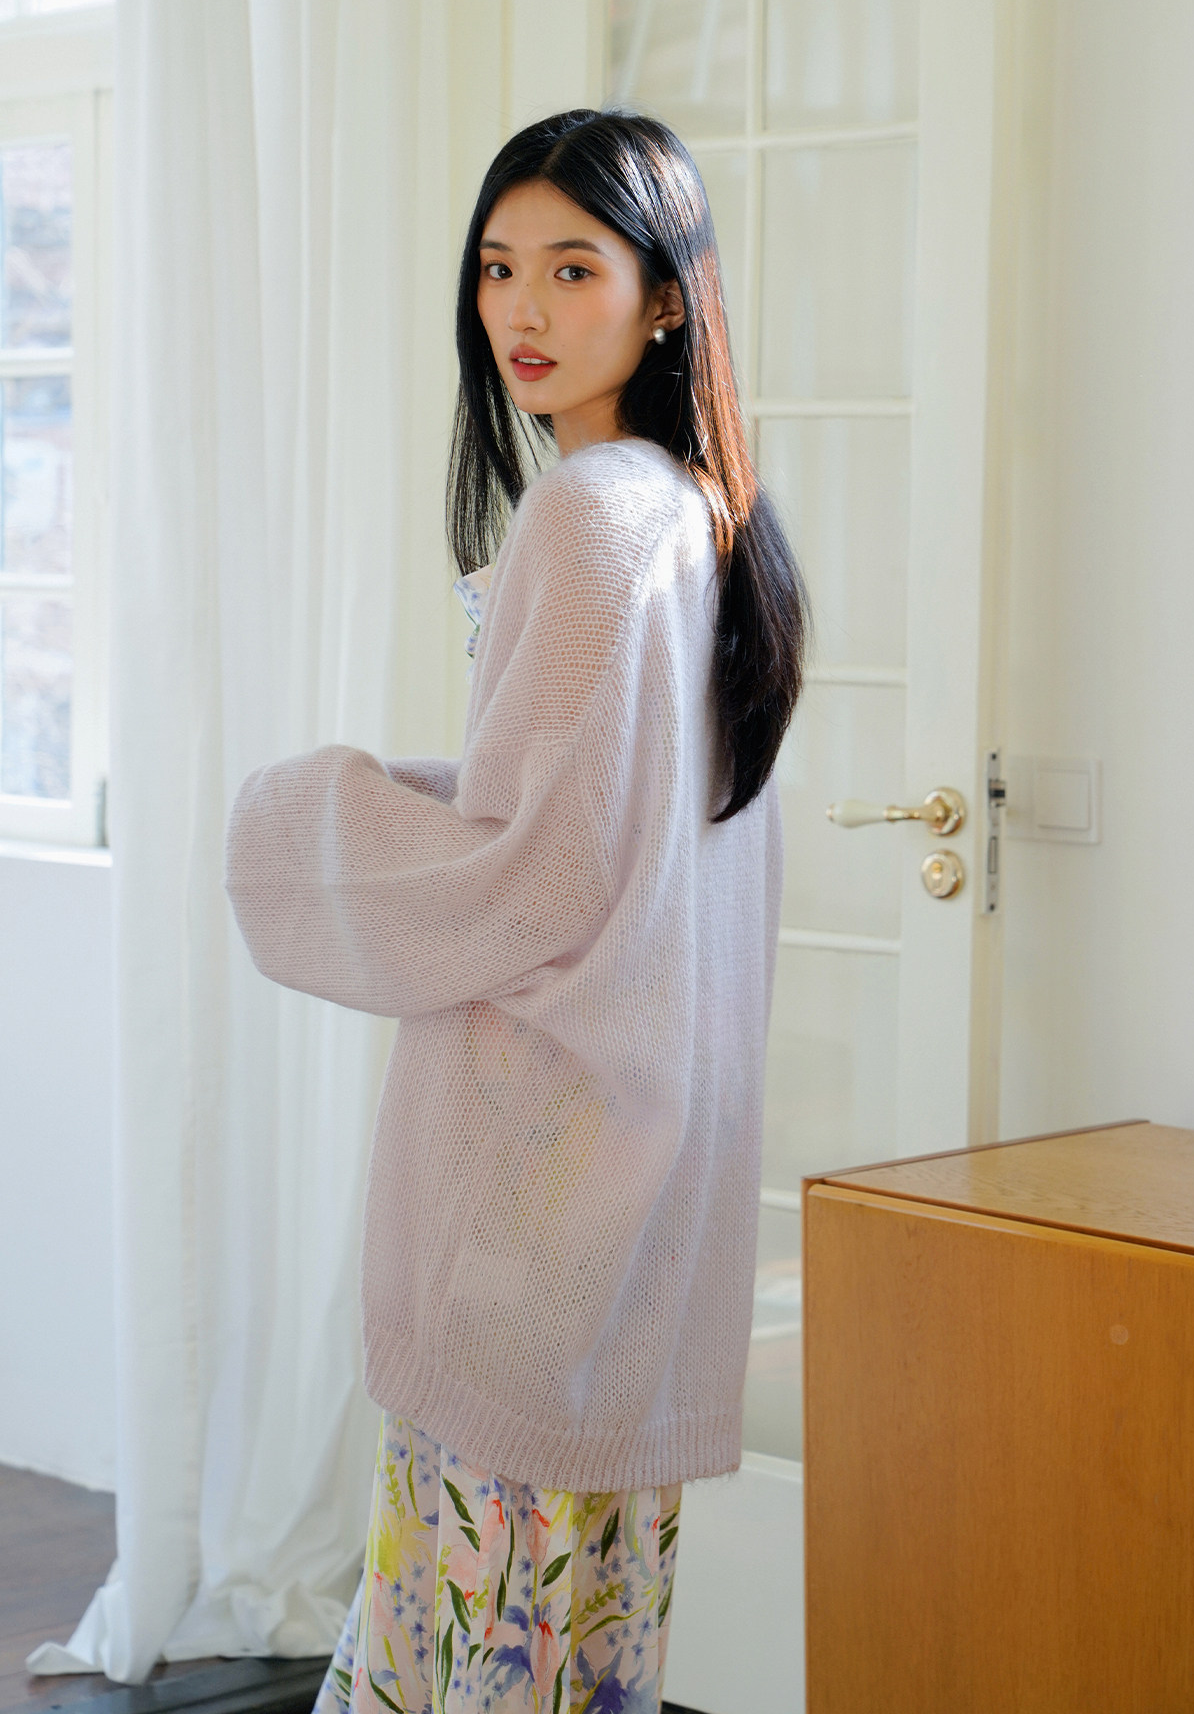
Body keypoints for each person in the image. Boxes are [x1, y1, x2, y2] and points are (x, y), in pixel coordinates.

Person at [225, 106, 807, 1714]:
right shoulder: (697, 505)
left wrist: (298, 814)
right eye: (497, 268)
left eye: (572, 267)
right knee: (575, 1652)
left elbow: (533, 872)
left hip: (539, 1179)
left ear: (667, 296)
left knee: (464, 1651)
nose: (523, 311)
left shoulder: (592, 512)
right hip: (647, 1170)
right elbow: (601, 818)